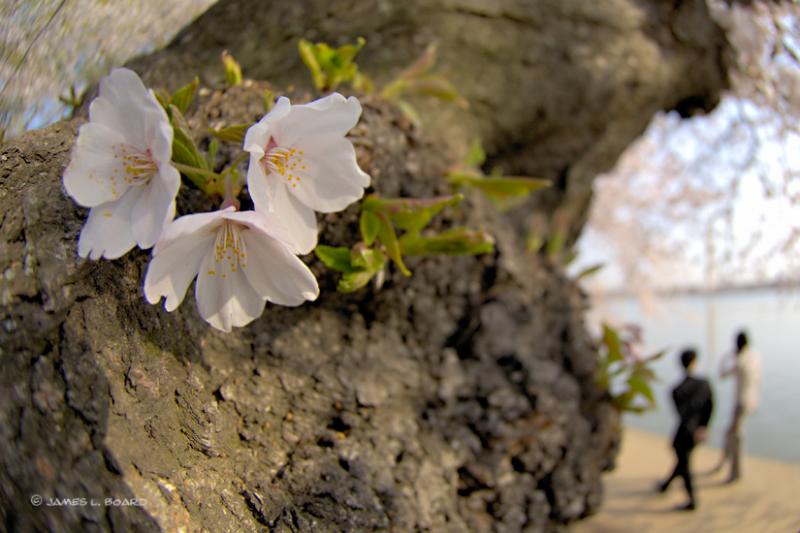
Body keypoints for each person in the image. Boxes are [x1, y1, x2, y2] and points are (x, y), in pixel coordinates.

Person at [657, 348, 714, 511]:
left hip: (686, 431)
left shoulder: (676, 390)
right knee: (683, 460)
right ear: (694, 362)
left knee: (684, 463)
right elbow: (710, 407)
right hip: (694, 431)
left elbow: (681, 414)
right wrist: (704, 427)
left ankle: (692, 500)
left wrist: (695, 429)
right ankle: (666, 485)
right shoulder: (704, 384)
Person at [710, 330, 762, 483]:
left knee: (735, 437)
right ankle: (723, 463)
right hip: (752, 400)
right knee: (730, 434)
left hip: (741, 403)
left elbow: (722, 374)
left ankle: (735, 472)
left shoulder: (740, 361)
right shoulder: (755, 356)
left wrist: (726, 356)